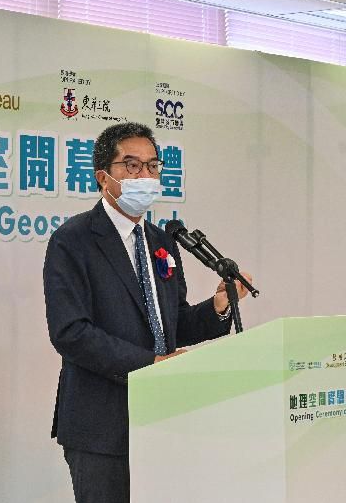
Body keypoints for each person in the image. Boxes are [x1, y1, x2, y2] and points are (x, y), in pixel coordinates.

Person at [43, 122, 252, 503]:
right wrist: (150, 365)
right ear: (103, 177)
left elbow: (173, 323)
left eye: (153, 166)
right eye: (132, 165)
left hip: (162, 417)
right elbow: (71, 332)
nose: (146, 176)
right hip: (101, 424)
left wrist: (219, 308)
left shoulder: (161, 240)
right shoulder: (73, 240)